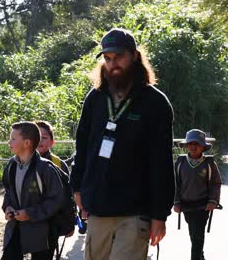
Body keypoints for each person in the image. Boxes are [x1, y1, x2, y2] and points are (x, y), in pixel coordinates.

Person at [70, 28, 175, 260]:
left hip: (136, 211)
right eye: (107, 58)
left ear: (135, 56)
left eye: (119, 57)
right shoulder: (95, 98)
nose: (113, 63)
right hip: (98, 208)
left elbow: (162, 163)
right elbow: (83, 146)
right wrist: (76, 187)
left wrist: (160, 216)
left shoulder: (156, 103)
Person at [1, 121, 65, 260]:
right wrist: (7, 207)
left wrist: (29, 214)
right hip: (16, 227)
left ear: (27, 143)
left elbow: (57, 200)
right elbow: (8, 191)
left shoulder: (46, 168)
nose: (8, 142)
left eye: (13, 138)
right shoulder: (11, 166)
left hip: (43, 233)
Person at [174, 129, 222, 260]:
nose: (193, 146)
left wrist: (213, 201)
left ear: (203, 147)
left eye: (197, 144)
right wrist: (176, 202)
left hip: (203, 206)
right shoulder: (180, 163)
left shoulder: (209, 163)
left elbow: (215, 183)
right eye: (190, 144)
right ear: (186, 145)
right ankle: (200, 256)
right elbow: (175, 184)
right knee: (193, 233)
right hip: (186, 205)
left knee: (198, 234)